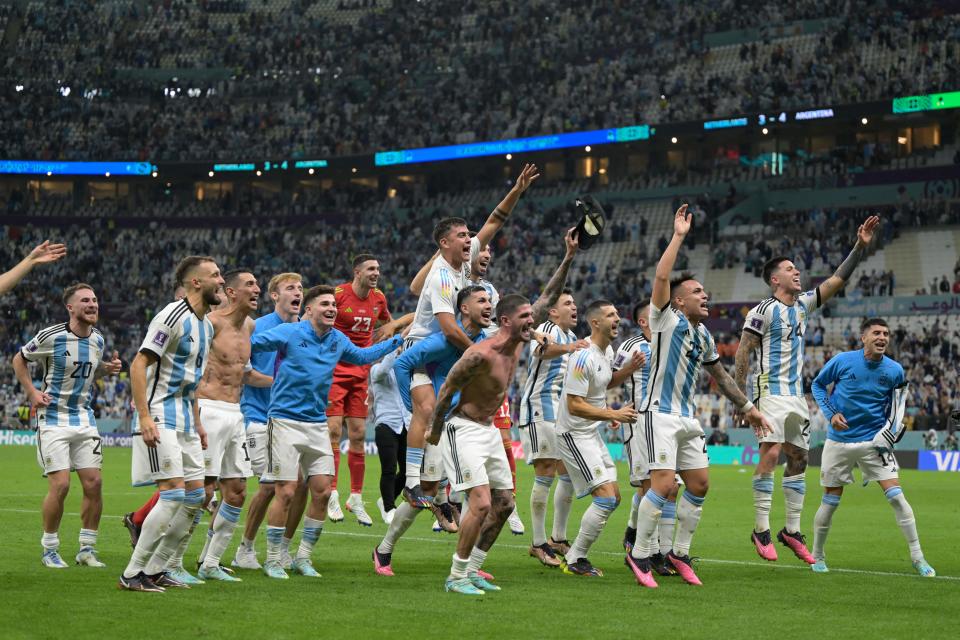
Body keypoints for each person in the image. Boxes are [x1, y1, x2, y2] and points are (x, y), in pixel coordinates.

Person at [628, 205, 771, 588]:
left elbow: (720, 376)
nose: (705, 296)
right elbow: (661, 275)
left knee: (700, 484)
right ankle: (640, 555)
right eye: (696, 292)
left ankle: (678, 552)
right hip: (658, 414)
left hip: (688, 419)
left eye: (705, 292)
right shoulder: (664, 319)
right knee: (662, 486)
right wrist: (678, 236)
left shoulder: (704, 336)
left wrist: (748, 408)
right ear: (678, 301)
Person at [734, 215, 878, 564]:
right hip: (769, 392)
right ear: (774, 279)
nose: (797, 272)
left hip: (797, 396)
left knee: (799, 457)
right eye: (789, 269)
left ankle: (791, 530)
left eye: (797, 268)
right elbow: (742, 352)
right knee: (770, 453)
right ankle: (761, 528)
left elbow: (837, 280)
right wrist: (742, 402)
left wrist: (859, 247)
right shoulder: (762, 311)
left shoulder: (802, 306)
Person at [402, 165, 539, 508]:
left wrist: (518, 190)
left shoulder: (465, 263)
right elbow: (448, 327)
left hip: (449, 351)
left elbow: (495, 220)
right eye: (462, 236)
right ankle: (410, 483)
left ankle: (446, 487)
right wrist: (481, 352)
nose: (470, 239)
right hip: (422, 346)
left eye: (469, 236)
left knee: (452, 413)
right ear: (445, 243)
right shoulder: (440, 277)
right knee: (428, 408)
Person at [250, 285, 403, 579]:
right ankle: (271, 559)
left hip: (317, 423)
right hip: (284, 422)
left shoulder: (337, 339)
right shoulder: (290, 333)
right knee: (286, 492)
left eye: (333, 304)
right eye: (325, 304)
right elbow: (254, 344)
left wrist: (394, 342)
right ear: (309, 310)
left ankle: (302, 558)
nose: (332, 308)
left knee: (321, 491)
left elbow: (361, 356)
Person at [373, 285, 495, 577]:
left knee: (479, 493)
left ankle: (467, 564)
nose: (489, 304)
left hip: (464, 424)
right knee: (426, 492)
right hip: (441, 423)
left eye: (490, 300)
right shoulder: (443, 343)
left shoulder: (483, 340)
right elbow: (403, 363)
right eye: (482, 300)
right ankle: (384, 549)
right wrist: (409, 404)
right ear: (463, 309)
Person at [119, 256, 223, 592]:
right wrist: (145, 416)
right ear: (196, 282)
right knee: (173, 494)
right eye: (215, 275)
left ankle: (156, 568)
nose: (221, 281)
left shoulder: (206, 326)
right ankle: (132, 574)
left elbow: (190, 381)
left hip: (186, 422)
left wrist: (198, 423)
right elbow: (139, 364)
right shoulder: (172, 315)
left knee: (196, 497)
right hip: (161, 414)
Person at [810, 318, 935, 577]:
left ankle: (918, 557)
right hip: (839, 442)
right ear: (863, 337)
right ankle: (818, 556)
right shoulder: (843, 360)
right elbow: (817, 385)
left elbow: (898, 406)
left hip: (874, 444)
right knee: (830, 502)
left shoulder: (895, 371)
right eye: (876, 333)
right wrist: (831, 413)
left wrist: (890, 433)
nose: (883, 338)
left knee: (898, 498)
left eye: (886, 334)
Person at [13, 283, 121, 569]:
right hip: (53, 418)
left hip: (84, 417)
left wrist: (106, 369)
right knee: (60, 485)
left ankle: (87, 549)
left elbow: (87, 366)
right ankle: (50, 548)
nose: (93, 304)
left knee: (94, 484)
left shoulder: (98, 340)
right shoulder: (52, 336)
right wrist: (32, 393)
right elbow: (19, 360)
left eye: (95, 300)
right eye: (85, 300)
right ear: (70, 307)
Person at [192, 269, 273, 581]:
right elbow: (192, 371)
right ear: (231, 292)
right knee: (201, 492)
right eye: (250, 285)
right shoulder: (209, 325)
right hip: (208, 409)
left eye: (257, 284)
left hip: (235, 412)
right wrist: (194, 413)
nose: (257, 289)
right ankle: (169, 562)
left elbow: (246, 372)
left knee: (237, 490)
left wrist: (281, 383)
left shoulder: (250, 326)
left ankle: (211, 563)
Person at [555, 300, 642, 578]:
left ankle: (574, 555)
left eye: (617, 313)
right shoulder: (582, 356)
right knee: (604, 498)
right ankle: (574, 558)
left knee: (614, 497)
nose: (618, 318)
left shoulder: (608, 352)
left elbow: (604, 382)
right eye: (610, 315)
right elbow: (574, 405)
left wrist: (628, 370)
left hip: (590, 432)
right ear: (595, 322)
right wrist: (610, 413)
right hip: (573, 434)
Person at [327, 254, 409, 525]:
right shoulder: (338, 295)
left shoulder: (378, 299)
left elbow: (389, 323)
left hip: (360, 373)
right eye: (371, 269)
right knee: (334, 431)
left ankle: (356, 497)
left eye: (378, 268)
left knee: (359, 434)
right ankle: (331, 493)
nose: (376, 273)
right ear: (357, 272)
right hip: (335, 370)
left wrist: (392, 335)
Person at [232, 272, 303, 570]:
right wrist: (285, 383)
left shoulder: (308, 330)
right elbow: (246, 374)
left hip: (293, 419)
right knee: (271, 484)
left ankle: (282, 548)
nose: (297, 292)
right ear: (275, 296)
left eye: (300, 288)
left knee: (298, 485)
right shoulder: (258, 327)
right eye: (290, 288)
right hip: (259, 415)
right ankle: (245, 548)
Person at [520, 289, 588, 567]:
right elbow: (540, 350)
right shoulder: (546, 329)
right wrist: (569, 349)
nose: (574, 307)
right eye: (568, 303)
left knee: (568, 473)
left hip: (559, 414)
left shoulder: (572, 337)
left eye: (575, 303)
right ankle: (538, 543)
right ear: (552, 312)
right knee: (545, 471)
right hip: (539, 408)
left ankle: (558, 537)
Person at [619, 299, 680, 577]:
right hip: (639, 422)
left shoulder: (670, 343)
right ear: (644, 322)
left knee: (670, 488)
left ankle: (651, 543)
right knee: (649, 487)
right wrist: (613, 411)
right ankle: (651, 551)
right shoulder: (630, 347)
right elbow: (608, 378)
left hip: (666, 421)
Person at [368, 349, 410, 525]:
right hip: (385, 424)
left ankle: (386, 498)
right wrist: (393, 348)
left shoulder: (404, 371)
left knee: (409, 470)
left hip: (405, 424)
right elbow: (385, 369)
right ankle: (388, 507)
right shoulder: (376, 370)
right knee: (389, 468)